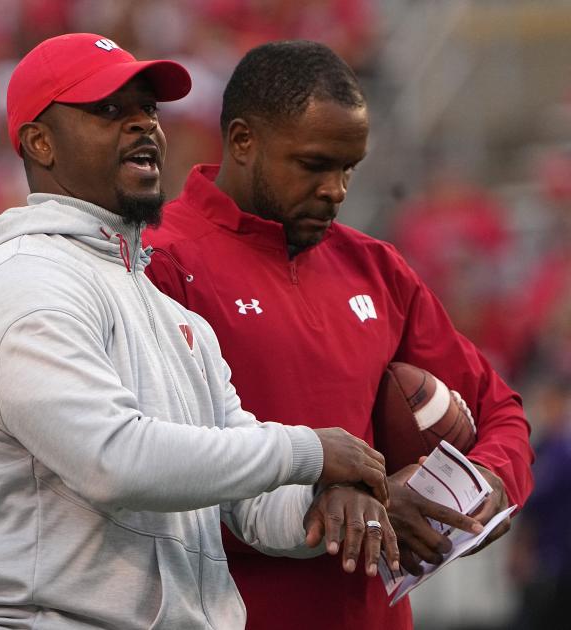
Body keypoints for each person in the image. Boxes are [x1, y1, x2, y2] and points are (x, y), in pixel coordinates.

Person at [0, 33, 420, 629]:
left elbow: (248, 506)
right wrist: (309, 450)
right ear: (40, 143)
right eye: (110, 110)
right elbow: (112, 460)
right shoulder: (25, 278)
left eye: (149, 109)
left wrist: (330, 505)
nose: (143, 126)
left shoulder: (165, 309)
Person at [144, 40, 534, 630]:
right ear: (243, 141)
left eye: (349, 168)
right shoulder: (160, 262)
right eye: (314, 164)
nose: (337, 190)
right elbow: (153, 467)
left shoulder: (375, 269)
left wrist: (478, 489)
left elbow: (499, 409)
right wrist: (348, 508)